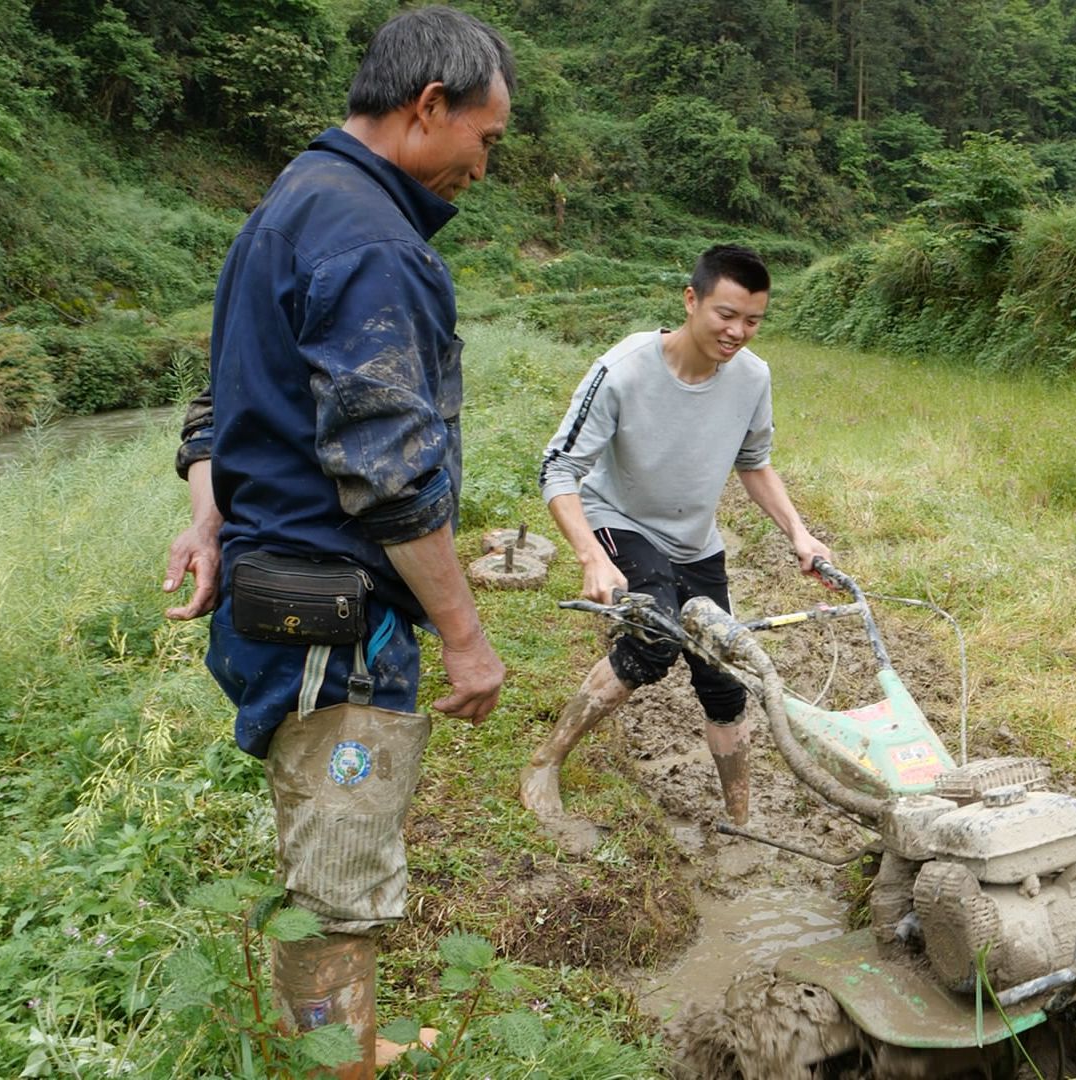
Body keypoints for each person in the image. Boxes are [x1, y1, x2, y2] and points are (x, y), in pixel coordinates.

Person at [160, 7, 511, 1076]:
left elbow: (221, 404)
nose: (484, 168)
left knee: (326, 830)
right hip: (332, 616)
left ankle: (345, 1037)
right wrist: (464, 631)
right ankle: (337, 1063)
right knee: (341, 860)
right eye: (486, 141)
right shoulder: (370, 242)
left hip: (282, 587)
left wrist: (207, 513)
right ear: (429, 106)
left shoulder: (293, 202)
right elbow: (392, 476)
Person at [523, 244, 831, 845]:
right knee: (657, 638)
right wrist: (592, 555)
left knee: (724, 675)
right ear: (691, 301)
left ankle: (739, 822)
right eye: (726, 314)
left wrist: (799, 531)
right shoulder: (625, 369)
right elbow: (558, 468)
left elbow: (755, 464)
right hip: (618, 518)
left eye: (753, 320)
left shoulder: (752, 377)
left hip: (697, 539)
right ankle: (546, 761)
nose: (738, 332)